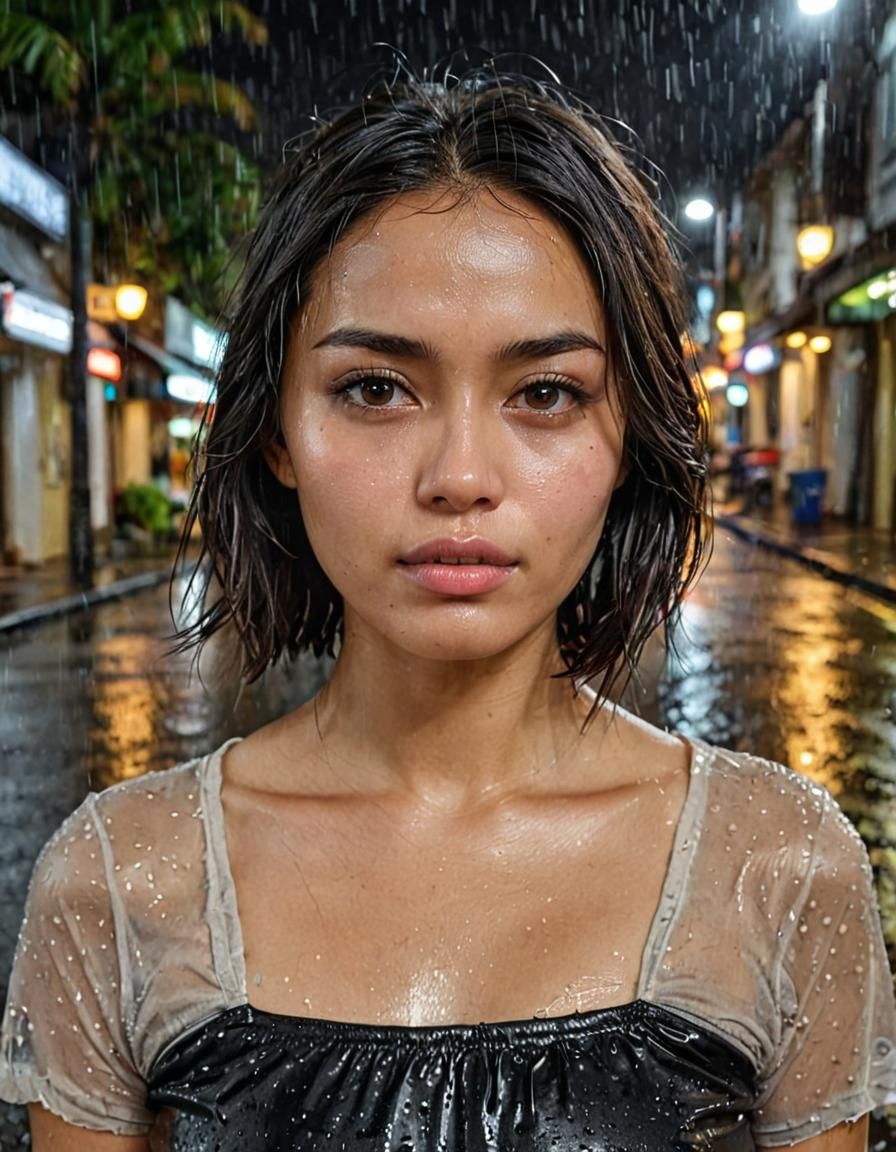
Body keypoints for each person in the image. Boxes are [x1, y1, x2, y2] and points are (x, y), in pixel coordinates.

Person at [1, 68, 894, 1152]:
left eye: (546, 393)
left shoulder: (779, 867)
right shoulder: (117, 883)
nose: (460, 475)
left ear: (628, 440)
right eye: (375, 388)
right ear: (276, 431)